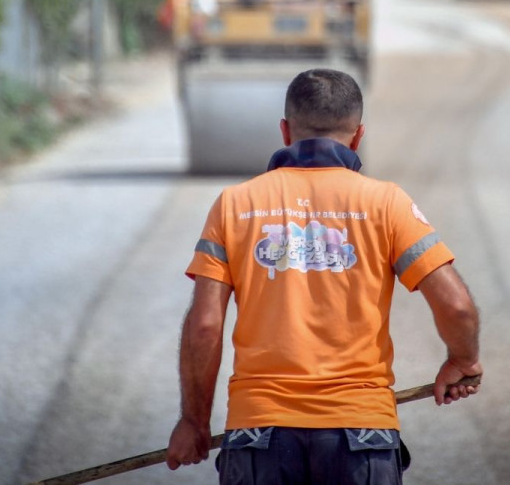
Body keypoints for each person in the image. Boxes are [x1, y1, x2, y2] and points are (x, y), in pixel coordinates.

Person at [166, 69, 482, 484]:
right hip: (361, 436)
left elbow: (206, 326)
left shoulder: (234, 205)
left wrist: (194, 420)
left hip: (259, 433)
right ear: (358, 134)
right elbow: (456, 307)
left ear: (284, 131)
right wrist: (462, 359)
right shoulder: (386, 203)